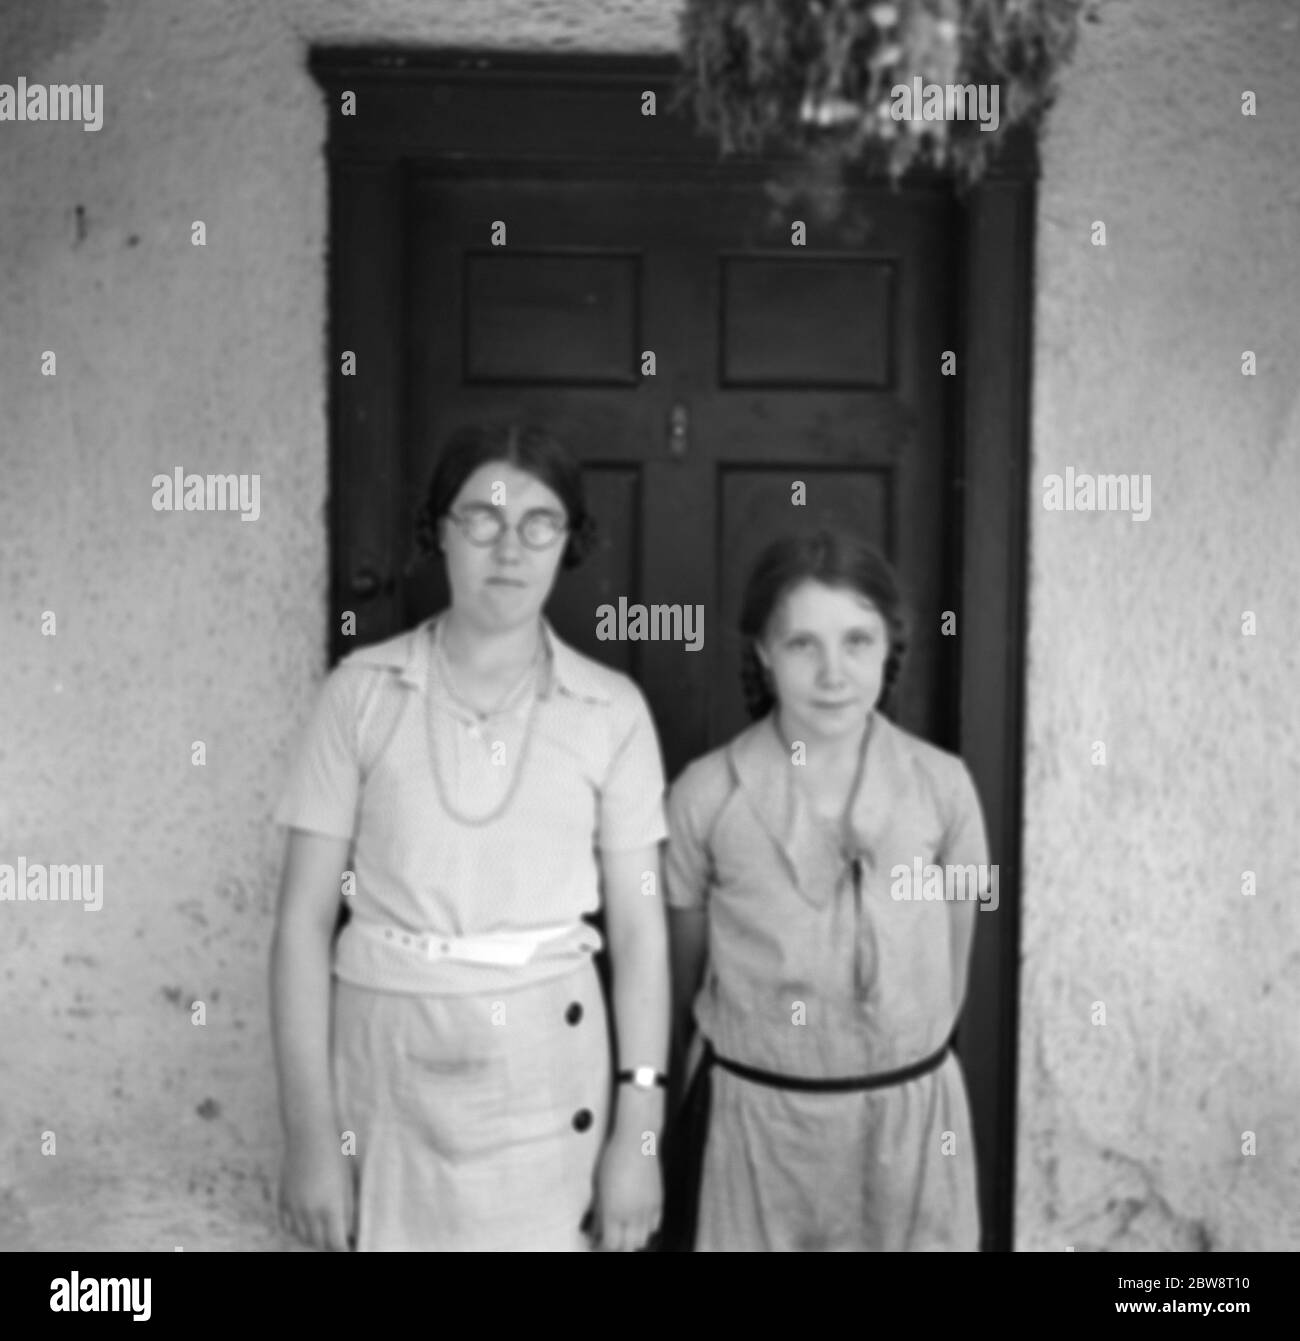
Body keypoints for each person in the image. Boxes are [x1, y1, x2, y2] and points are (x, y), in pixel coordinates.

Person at [270, 423, 670, 1252]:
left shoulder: (613, 711)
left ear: (569, 541)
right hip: (384, 1067)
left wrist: (639, 1135)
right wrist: (310, 1138)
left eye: (539, 522)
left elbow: (640, 935)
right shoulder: (360, 693)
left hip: (549, 1069)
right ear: (440, 530)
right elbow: (304, 921)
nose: (509, 547)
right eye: (481, 517)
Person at [664, 530, 989, 1251]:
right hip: (758, 1126)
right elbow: (684, 979)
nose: (833, 672)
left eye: (857, 641)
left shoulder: (943, 787)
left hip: (907, 1119)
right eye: (803, 644)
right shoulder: (706, 793)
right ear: (762, 653)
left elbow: (954, 966)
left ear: (889, 646)